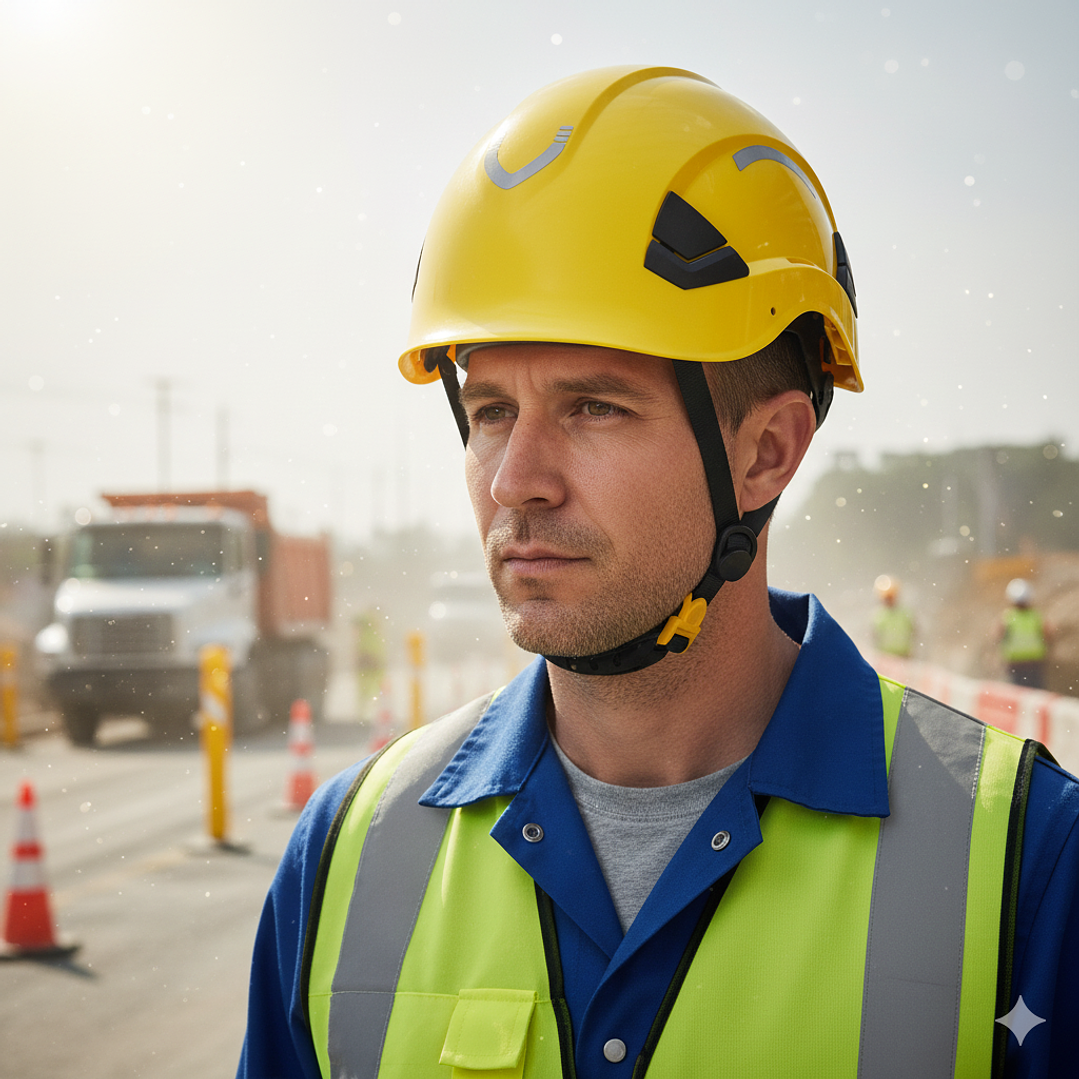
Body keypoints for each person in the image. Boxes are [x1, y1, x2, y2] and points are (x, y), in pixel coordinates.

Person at [238, 66, 1079, 1078]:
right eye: (491, 409)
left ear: (766, 452)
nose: (516, 479)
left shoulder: (1025, 866)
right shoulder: (343, 859)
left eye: (594, 406)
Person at [998, 577, 1053, 690]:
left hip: (1016, 664)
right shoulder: (1036, 616)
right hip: (1034, 663)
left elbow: (998, 635)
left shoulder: (1008, 617)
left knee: (1018, 694)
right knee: (1036, 693)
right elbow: (1048, 635)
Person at [870, 574, 915, 659]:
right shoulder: (879, 615)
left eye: (890, 597)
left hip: (903, 657)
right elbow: (874, 637)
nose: (888, 600)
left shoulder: (905, 614)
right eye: (886, 597)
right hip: (885, 658)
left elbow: (914, 633)